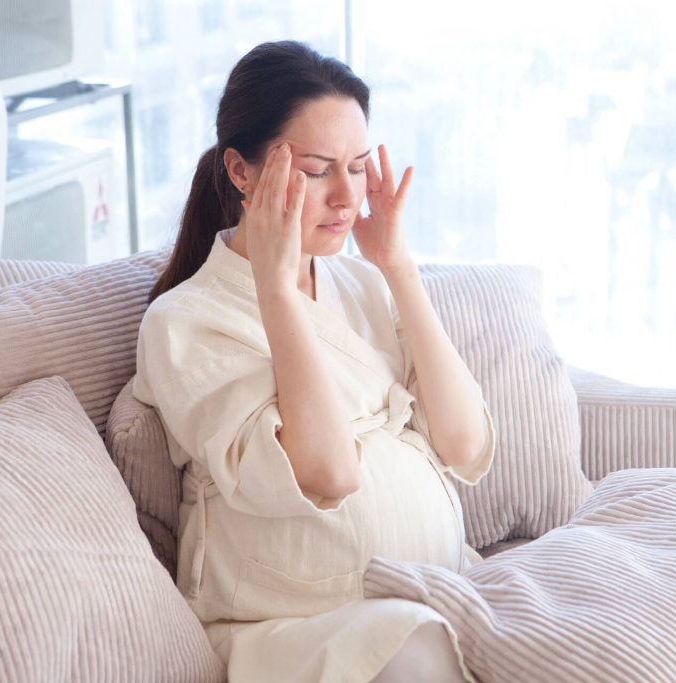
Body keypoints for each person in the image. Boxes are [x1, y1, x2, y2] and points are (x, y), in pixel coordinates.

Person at [133, 41, 495, 682]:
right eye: (319, 170)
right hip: (296, 629)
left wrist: (396, 265)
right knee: (413, 649)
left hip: (438, 589)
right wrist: (275, 289)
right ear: (241, 172)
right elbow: (327, 472)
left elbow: (464, 442)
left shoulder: (360, 283)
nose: (348, 199)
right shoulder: (185, 323)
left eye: (358, 168)